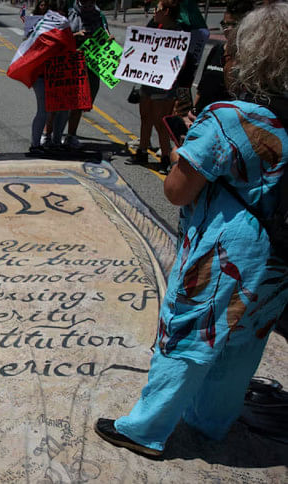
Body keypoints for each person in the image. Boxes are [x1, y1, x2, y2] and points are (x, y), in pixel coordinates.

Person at [95, 3, 288, 458]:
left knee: (190, 334)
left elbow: (177, 191)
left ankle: (145, 429)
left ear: (248, 58)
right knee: (243, 342)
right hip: (277, 255)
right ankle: (211, 421)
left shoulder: (227, 117)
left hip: (225, 252)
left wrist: (181, 151)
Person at [128, 0, 182, 173]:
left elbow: (180, 62)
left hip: (163, 84)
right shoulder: (154, 28)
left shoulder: (178, 34)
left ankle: (165, 157)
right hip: (148, 81)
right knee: (145, 116)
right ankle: (142, 151)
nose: (153, 12)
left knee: (160, 122)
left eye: (157, 9)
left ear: (166, 12)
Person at [191, 0, 254, 118]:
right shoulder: (217, 49)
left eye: (233, 24)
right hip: (202, 118)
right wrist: (194, 110)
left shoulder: (250, 58)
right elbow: (202, 88)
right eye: (224, 24)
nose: (227, 29)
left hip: (226, 120)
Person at [27, 0, 71, 154]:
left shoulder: (66, 27)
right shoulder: (41, 27)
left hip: (59, 75)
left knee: (64, 109)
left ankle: (56, 142)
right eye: (58, 15)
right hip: (41, 75)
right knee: (44, 110)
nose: (61, 18)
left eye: (63, 15)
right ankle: (35, 145)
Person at [64, 0, 108, 149]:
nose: (88, 7)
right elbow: (60, 36)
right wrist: (76, 35)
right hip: (71, 62)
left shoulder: (99, 16)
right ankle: (55, 134)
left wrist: (107, 39)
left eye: (91, 4)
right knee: (67, 101)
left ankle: (71, 135)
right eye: (85, 5)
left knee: (81, 102)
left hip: (91, 64)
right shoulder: (69, 15)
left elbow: (105, 34)